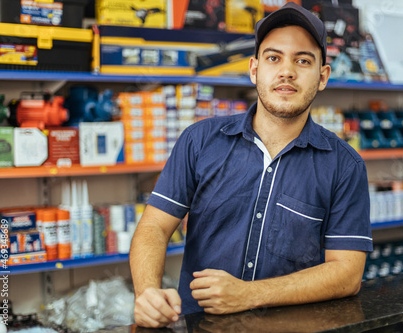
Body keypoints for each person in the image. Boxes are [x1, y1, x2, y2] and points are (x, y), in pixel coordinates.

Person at [130, 2, 372, 328]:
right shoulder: (200, 141)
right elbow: (154, 226)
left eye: (303, 60)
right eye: (274, 58)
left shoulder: (344, 166)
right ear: (254, 69)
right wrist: (147, 291)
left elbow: (346, 274)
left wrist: (249, 294)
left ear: (323, 76)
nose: (287, 71)